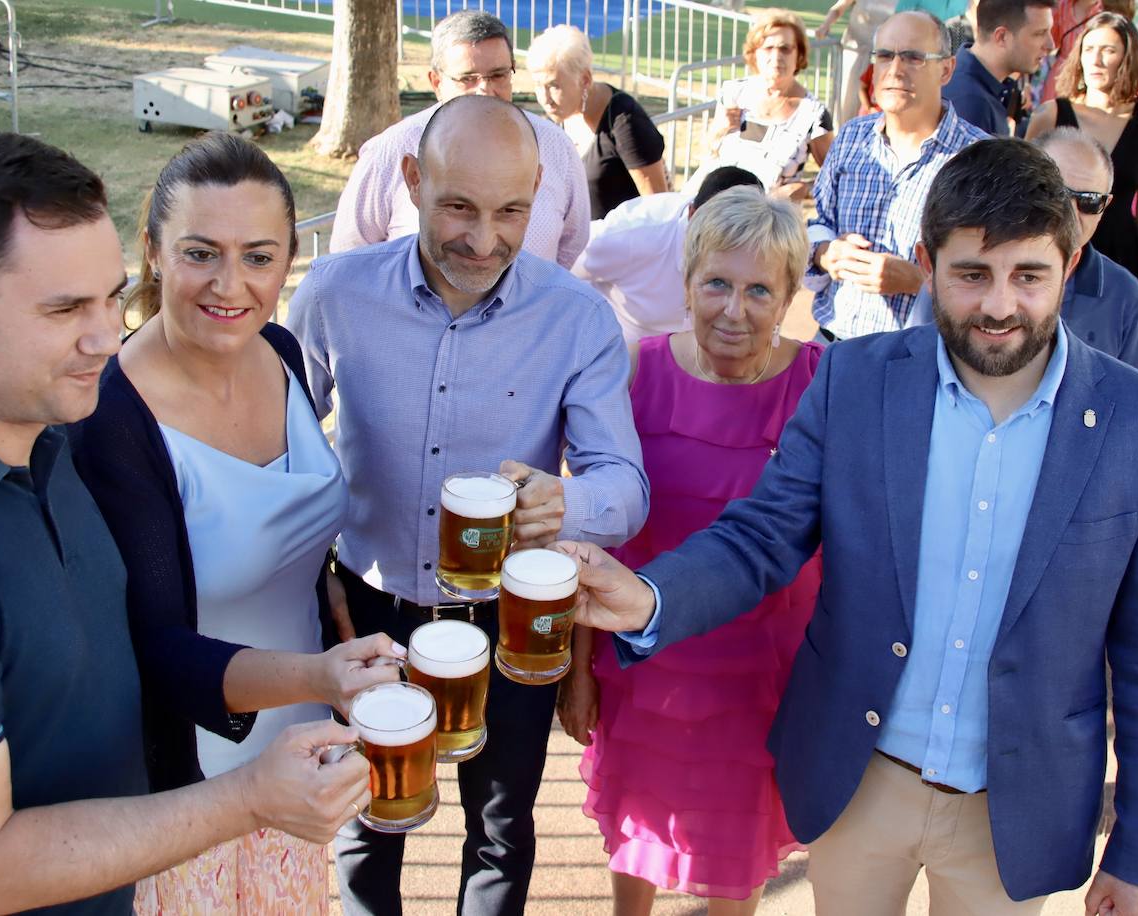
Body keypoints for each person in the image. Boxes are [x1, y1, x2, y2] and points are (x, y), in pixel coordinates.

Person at [561, 137, 1138, 916]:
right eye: (971, 275)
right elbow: (763, 535)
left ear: (1067, 267)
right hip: (860, 783)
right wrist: (650, 598)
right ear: (927, 266)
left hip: (1016, 811)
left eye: (1028, 275)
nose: (999, 306)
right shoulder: (855, 382)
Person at [0, 132, 373, 914]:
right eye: (64, 309)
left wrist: (316, 655)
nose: (103, 337)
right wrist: (248, 799)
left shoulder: (46, 436)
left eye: (109, 299)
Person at [287, 95, 649, 916]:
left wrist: (568, 501)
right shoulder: (335, 293)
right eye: (458, 207)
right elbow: (280, 459)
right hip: (367, 610)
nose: (484, 241)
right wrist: (315, 580)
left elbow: (625, 491)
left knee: (500, 825)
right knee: (368, 817)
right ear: (411, 180)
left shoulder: (578, 318)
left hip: (505, 617)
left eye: (512, 212)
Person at [66, 133, 404, 915]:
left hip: (300, 742)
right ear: (151, 251)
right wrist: (320, 675)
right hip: (196, 773)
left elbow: (286, 522)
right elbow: (154, 647)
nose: (231, 285)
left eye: (259, 256)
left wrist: (326, 600)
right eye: (200, 253)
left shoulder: (281, 350)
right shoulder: (114, 415)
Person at [558, 186, 822, 915]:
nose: (734, 311)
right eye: (717, 284)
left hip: (765, 678)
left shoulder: (821, 383)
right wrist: (578, 671)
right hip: (644, 666)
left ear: (790, 295)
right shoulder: (636, 375)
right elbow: (592, 535)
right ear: (686, 283)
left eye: (759, 290)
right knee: (636, 831)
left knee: (738, 858)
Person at [330, 10, 590, 268]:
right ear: (437, 82)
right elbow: (350, 255)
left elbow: (572, 243)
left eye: (498, 75)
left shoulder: (555, 147)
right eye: (468, 78)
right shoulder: (392, 149)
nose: (485, 90)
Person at [807, 10, 987, 341]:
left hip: (918, 358)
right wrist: (825, 252)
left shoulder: (980, 160)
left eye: (913, 57)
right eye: (885, 55)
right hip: (829, 347)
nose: (895, 69)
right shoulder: (850, 138)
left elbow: (990, 276)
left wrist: (917, 281)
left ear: (946, 69)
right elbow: (819, 221)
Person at [911, 127, 1138, 371]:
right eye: (1056, 194)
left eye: (1089, 201)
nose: (1070, 212)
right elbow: (916, 364)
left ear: (1106, 204)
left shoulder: (1125, 295)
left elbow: (1130, 397)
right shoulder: (957, 267)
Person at [1026, 11, 1138, 373]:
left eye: (1108, 50)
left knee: (1117, 370)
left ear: (1128, 57)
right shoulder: (1051, 114)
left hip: (1123, 261)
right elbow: (1019, 191)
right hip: (1053, 256)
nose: (1096, 59)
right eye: (1088, 48)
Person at [572, 166, 764, 343]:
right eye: (721, 236)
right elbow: (559, 266)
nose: (732, 251)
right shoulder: (632, 236)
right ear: (692, 215)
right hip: (619, 360)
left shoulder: (765, 243)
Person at [686, 9, 834, 201]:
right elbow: (708, 152)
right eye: (768, 48)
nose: (776, 56)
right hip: (714, 207)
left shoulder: (813, 114)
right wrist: (719, 129)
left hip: (767, 221)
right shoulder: (733, 93)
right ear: (754, 53)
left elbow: (835, 175)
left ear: (799, 55)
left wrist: (803, 189)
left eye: (785, 48)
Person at [527, 24, 667, 219]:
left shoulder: (626, 122)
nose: (544, 98)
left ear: (584, 79)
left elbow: (659, 209)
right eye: (537, 85)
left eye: (553, 86)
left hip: (623, 246)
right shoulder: (562, 113)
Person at [942, 0, 1056, 135]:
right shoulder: (973, 104)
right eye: (1039, 33)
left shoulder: (975, 85)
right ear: (1002, 36)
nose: (1051, 45)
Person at [817, 0, 900, 125]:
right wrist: (825, 25)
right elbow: (838, 8)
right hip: (855, 52)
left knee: (877, 105)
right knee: (846, 101)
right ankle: (841, 136)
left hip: (884, 58)